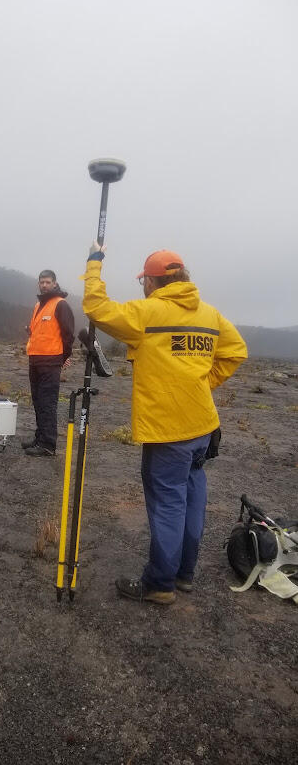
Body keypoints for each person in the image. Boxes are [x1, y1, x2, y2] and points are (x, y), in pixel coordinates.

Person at [83, 244, 247, 604]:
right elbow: (236, 351)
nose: (143, 286)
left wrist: (94, 263)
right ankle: (184, 574)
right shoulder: (209, 314)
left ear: (153, 281)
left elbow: (97, 308)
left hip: (168, 430)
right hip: (203, 426)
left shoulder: (148, 312)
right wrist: (201, 384)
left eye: (144, 280)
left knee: (169, 503)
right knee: (191, 498)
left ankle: (160, 583)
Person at [23, 270, 75, 457]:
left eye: (47, 282)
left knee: (47, 403)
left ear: (54, 283)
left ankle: (48, 444)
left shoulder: (60, 305)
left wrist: (62, 358)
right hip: (35, 360)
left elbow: (68, 335)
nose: (44, 285)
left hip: (51, 362)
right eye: (41, 282)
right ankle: (40, 437)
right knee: (37, 401)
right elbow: (36, 331)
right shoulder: (38, 306)